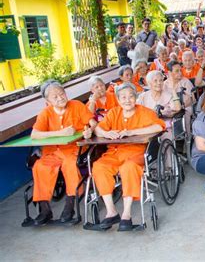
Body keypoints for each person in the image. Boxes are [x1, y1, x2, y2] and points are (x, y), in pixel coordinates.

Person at [93, 83, 165, 231]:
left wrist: (132, 132)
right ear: (118, 100)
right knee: (99, 166)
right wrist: (106, 133)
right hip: (114, 152)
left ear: (136, 98)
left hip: (136, 152)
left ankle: (126, 214)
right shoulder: (113, 113)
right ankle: (111, 211)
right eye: (123, 97)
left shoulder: (145, 112)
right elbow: (98, 129)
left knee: (129, 167)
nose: (127, 100)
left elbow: (159, 127)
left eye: (131, 96)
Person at [30, 80, 96, 225]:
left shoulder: (77, 105)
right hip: (53, 152)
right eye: (55, 97)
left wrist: (90, 131)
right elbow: (35, 134)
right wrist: (60, 133)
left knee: (70, 166)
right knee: (40, 167)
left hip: (75, 150)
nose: (60, 98)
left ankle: (70, 204)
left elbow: (93, 123)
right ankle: (44, 209)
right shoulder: (45, 113)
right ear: (48, 101)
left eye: (62, 93)